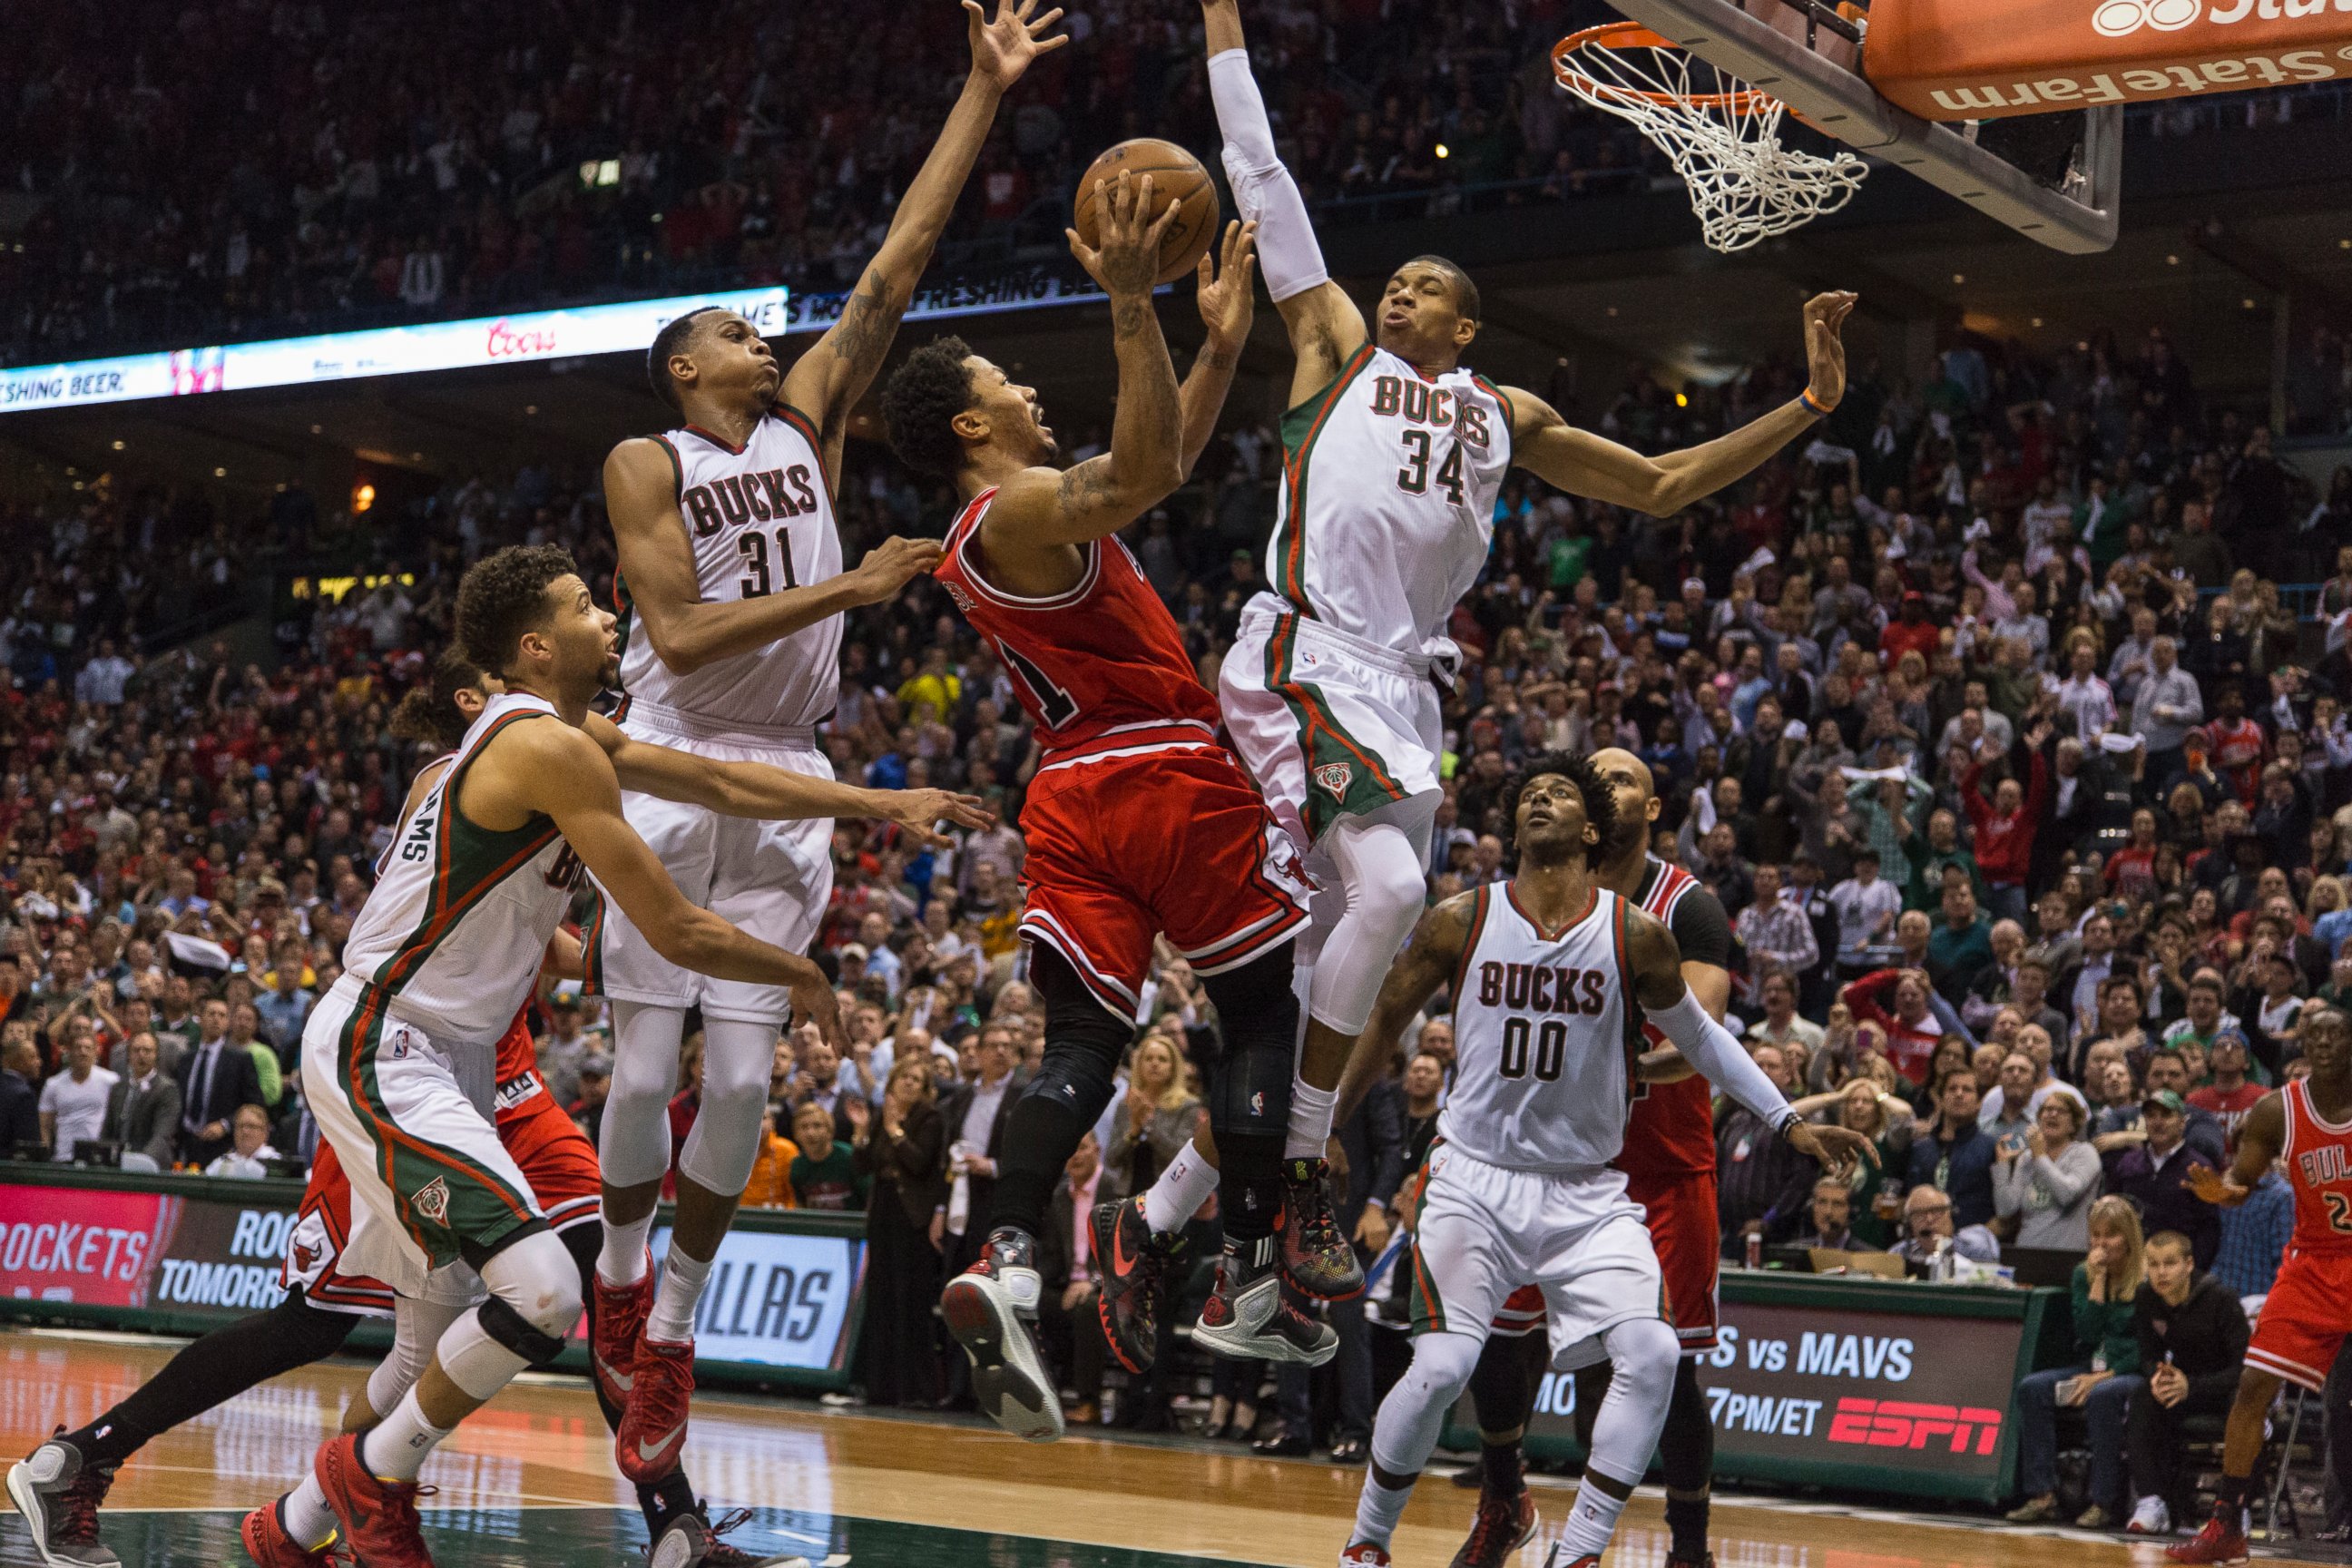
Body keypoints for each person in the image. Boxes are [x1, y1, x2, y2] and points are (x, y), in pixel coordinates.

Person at [1196, 10, 1854, 1456]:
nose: (1397, 287)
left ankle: (1174, 1223)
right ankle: (1296, 1180)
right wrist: (1225, 32)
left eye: (1425, 284)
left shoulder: (1502, 411)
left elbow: (1666, 484)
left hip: (1406, 695)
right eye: (1397, 277)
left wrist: (1805, 405)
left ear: (1466, 327)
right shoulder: (1331, 351)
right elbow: (1264, 178)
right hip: (1306, 650)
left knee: (1344, 940)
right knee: (1365, 905)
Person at [587, 0, 1062, 1483]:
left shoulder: (807, 416)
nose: (761, 331)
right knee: (644, 1052)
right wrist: (846, 584)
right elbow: (668, 638)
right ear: (683, 368)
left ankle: (670, 1323)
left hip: (790, 769)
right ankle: (614, 1266)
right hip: (672, 753)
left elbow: (897, 261)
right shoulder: (646, 457)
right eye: (731, 326)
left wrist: (981, 93)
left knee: (736, 1085)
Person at [881, 199, 1332, 1441]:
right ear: (974, 423)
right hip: (1162, 773)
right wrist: (1129, 298)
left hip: (1071, 794)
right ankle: (1248, 1277)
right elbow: (1145, 473)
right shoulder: (1016, 508)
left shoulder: (1000, 525)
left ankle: (1013, 1255)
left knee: (1079, 1048)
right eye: (1009, 381)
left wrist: (1220, 345)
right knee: (1258, 1014)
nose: (1033, 391)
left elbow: (1158, 456)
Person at [1328, 753, 1870, 1568]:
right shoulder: (1460, 918)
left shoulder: (1644, 930)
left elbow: (1704, 1039)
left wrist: (1789, 1121)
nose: (1540, 801)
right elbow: (1383, 1023)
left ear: (1595, 829)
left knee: (1655, 1356)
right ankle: (1368, 1545)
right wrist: (1321, 1123)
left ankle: (1580, 1552)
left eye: (1562, 795)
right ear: (1513, 828)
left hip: (1589, 1187)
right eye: (1528, 796)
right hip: (1476, 1177)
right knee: (1445, 1368)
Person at [2169, 1004, 2352, 1562]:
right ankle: (2227, 1525)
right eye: (2313, 1034)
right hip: (2314, 1263)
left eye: (2335, 1034)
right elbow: (2241, 1179)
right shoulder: (2278, 1112)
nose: (2322, 1043)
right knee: (2253, 1387)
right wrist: (2223, 1193)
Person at [2004, 1196, 2147, 1526]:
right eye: (2095, 1235)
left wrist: (2102, 1377)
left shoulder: (2145, 1279)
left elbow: (2145, 1349)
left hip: (2131, 1371)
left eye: (2110, 1234)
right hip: (2090, 1365)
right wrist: (2097, 1281)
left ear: (2128, 1237)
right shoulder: (2084, 1274)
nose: (2101, 1243)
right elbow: (2087, 1331)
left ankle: (2103, 1501)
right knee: (2032, 1388)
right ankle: (2042, 1495)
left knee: (2103, 1395)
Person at [2126, 1231, 2250, 1538]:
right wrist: (2157, 1376)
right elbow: (2148, 1354)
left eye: (2169, 1263)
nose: (2161, 1272)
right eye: (2153, 1264)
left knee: (2245, 1405)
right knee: (2141, 1395)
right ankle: (2151, 1502)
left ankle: (2235, 1510)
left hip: (2224, 1388)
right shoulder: (2146, 1297)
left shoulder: (2221, 1298)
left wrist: (2191, 1386)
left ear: (2189, 1264)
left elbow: (2245, 1370)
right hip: (2184, 1386)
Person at [853, 1056, 949, 1409]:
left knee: (911, 1301)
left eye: (917, 1079)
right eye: (903, 1077)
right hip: (884, 1211)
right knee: (882, 1297)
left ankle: (917, 1391)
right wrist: (863, 1133)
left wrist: (895, 1130)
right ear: (891, 1083)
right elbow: (862, 1167)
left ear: (925, 1091)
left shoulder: (931, 1119)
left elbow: (919, 1162)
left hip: (913, 1218)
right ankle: (880, 1388)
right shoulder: (882, 1116)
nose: (908, 1083)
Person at [2112, 1090, 2222, 1266]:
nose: (2158, 1122)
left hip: (2178, 1269)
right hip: (2132, 1266)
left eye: (2166, 1115)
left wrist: (2195, 1270)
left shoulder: (2200, 1168)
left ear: (2182, 1122)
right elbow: (2114, 1213)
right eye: (2151, 1116)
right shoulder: (2127, 1163)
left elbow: (2209, 1227)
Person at [1992, 1094, 2102, 1250]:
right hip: (2026, 1252)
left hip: (2068, 1257)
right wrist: (2002, 1164)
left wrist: (2040, 1157)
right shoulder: (2027, 1158)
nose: (2052, 1114)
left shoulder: (2084, 1153)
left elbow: (2067, 1194)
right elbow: (2005, 1209)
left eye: (2061, 1111)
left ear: (2073, 1124)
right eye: (2047, 1109)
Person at [175, 997, 263, 1167]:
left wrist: (225, 1125)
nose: (216, 1019)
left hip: (222, 1145)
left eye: (222, 1015)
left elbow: (255, 1103)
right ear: (200, 1019)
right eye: (211, 1014)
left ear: (228, 1023)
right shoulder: (186, 1059)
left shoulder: (240, 1059)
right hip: (186, 1142)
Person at [1906, 1072, 1998, 1228]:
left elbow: (2004, 1213)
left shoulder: (1991, 1148)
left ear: (1979, 1103)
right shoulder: (1920, 1148)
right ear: (1941, 1100)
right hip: (1924, 1240)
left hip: (1970, 1243)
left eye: (1967, 1090)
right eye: (1952, 1089)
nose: (1959, 1094)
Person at [37, 1027, 117, 1162]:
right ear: (69, 1051)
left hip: (98, 1157)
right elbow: (44, 1125)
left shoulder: (111, 1081)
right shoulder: (53, 1084)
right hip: (63, 1156)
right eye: (78, 1048)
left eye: (87, 1048)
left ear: (96, 1052)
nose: (83, 1052)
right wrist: (44, 1155)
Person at [103, 1030, 181, 1169]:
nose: (141, 1055)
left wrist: (138, 1162)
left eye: (147, 1050)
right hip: (117, 1165)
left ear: (156, 1055)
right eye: (136, 1050)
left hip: (150, 1166)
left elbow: (162, 1136)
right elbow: (107, 1131)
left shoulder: (167, 1089)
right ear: (129, 1055)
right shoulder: (118, 1088)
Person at [1887, 1186, 2001, 1269]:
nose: (1929, 1219)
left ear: (1951, 1215)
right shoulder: (1899, 1254)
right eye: (1919, 1214)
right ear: (1909, 1224)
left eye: (1937, 1211)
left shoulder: (1976, 1248)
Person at [1792, 1179, 1873, 1251]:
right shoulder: (1794, 1252)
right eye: (1822, 1202)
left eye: (1837, 1204)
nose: (1828, 1212)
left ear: (1851, 1212)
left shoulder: (1869, 1257)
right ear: (1811, 1209)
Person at [203, 1102, 279, 1179]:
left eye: (251, 1126)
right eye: (241, 1126)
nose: (245, 1131)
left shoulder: (275, 1163)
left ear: (265, 1132)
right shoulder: (223, 1162)